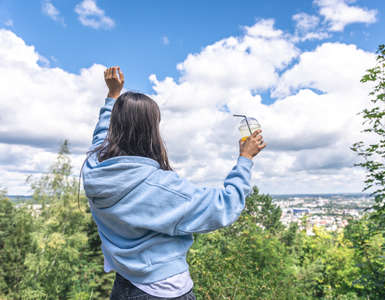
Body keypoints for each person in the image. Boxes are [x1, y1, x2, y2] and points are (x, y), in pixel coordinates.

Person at [82, 66, 266, 300]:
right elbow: (224, 206)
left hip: (123, 284)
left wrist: (112, 96)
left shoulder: (94, 168)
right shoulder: (158, 186)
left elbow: (100, 136)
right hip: (165, 291)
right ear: (151, 132)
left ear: (115, 128)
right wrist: (245, 159)